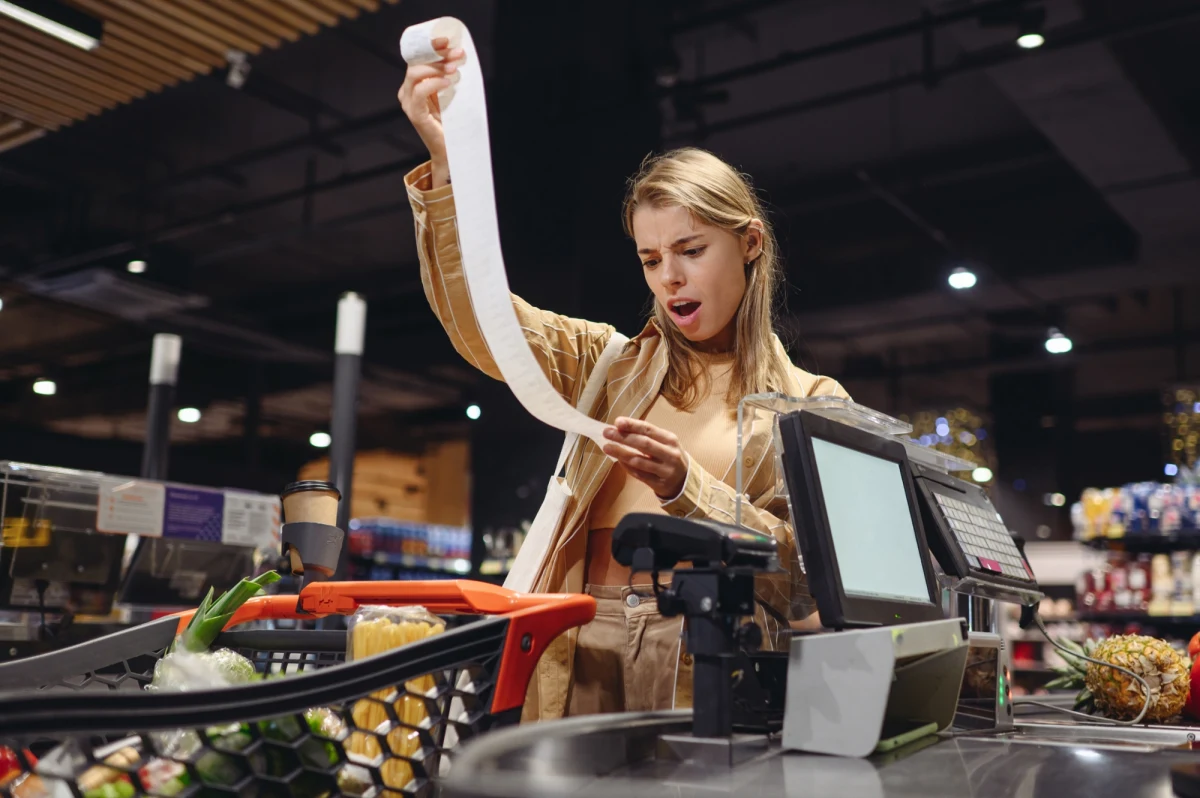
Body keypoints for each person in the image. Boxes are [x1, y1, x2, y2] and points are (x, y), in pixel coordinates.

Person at [398, 40, 848, 722]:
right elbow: (481, 319)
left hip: (708, 654)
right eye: (650, 258)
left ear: (750, 243)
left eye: (692, 251)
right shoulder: (605, 365)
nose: (671, 277)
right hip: (576, 639)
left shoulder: (811, 406)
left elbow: (809, 583)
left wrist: (687, 488)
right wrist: (445, 162)